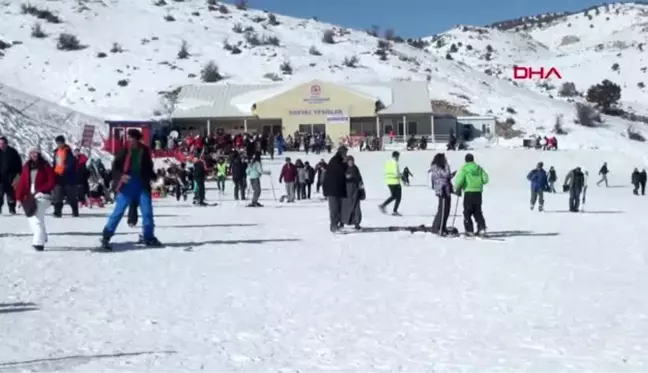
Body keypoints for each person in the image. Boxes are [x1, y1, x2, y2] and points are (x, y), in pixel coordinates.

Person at [101, 129, 161, 249]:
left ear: (137, 139)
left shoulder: (144, 150)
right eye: (129, 138)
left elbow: (148, 167)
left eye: (132, 138)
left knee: (147, 212)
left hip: (142, 185)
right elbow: (115, 168)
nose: (129, 140)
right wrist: (120, 176)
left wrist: (154, 177)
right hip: (126, 186)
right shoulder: (124, 150)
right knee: (118, 211)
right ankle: (106, 236)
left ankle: (149, 236)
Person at [15, 146, 56, 251]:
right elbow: (22, 183)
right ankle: (43, 236)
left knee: (37, 218)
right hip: (30, 197)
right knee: (32, 218)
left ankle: (38, 243)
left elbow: (52, 180)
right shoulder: (27, 166)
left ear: (39, 154)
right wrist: (19, 198)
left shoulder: (45, 166)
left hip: (44, 196)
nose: (34, 155)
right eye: (32, 153)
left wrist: (42, 190)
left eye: (36, 153)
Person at [454, 153, 489, 236]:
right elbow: (485, 179)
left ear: (466, 160)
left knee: (467, 212)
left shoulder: (464, 169)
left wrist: (457, 187)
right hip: (478, 193)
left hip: (468, 192)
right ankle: (482, 228)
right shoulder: (479, 169)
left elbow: (459, 179)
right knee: (478, 211)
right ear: (473, 159)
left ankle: (469, 230)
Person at [51, 135, 79, 217]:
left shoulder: (68, 152)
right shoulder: (56, 152)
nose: (59, 144)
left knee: (71, 196)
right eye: (58, 143)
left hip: (68, 177)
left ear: (63, 142)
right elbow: (55, 163)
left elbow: (71, 164)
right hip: (58, 177)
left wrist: (66, 170)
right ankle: (57, 212)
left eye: (60, 143)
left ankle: (75, 211)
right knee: (58, 195)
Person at [322, 146, 348, 232]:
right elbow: (341, 172)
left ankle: (339, 224)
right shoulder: (335, 161)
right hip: (333, 189)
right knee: (334, 209)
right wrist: (345, 163)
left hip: (338, 189)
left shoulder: (339, 161)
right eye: (345, 153)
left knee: (340, 208)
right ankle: (333, 225)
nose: (346, 154)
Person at [429, 153, 455, 235]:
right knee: (443, 210)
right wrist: (447, 165)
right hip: (442, 190)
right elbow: (445, 174)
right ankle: (438, 227)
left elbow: (445, 176)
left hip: (445, 190)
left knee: (446, 210)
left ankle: (442, 227)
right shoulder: (437, 167)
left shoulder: (437, 167)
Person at [0, 136, 23, 215]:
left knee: (11, 194)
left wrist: (18, 176)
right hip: (1, 178)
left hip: (11, 177)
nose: (1, 145)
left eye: (2, 143)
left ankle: (12, 209)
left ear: (6, 144)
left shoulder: (13, 152)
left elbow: (19, 165)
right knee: (0, 194)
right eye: (0, 144)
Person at [340, 155, 364, 230]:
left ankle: (357, 223)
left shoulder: (356, 169)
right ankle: (341, 222)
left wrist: (362, 191)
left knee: (356, 209)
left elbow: (360, 180)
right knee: (344, 209)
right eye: (350, 161)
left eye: (352, 161)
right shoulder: (343, 169)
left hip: (355, 192)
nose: (351, 162)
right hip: (345, 192)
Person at [379, 151, 402, 216]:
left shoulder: (387, 162)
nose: (398, 158)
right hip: (395, 182)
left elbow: (386, 171)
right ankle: (394, 211)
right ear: (396, 156)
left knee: (393, 196)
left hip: (389, 182)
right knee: (398, 197)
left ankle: (383, 205)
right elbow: (396, 174)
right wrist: (401, 175)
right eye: (398, 156)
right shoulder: (395, 163)